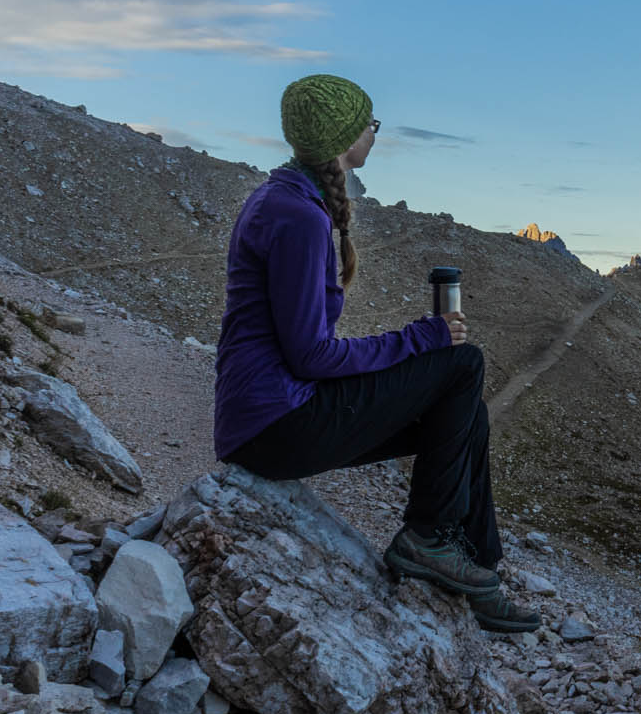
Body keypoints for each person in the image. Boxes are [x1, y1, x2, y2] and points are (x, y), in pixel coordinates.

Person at [211, 73, 538, 634]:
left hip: (272, 415)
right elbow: (310, 356)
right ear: (343, 138)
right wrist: (420, 339)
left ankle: (480, 572)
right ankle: (428, 538)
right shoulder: (298, 217)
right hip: (276, 426)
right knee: (462, 364)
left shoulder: (289, 201)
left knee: (464, 413)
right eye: (370, 124)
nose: (374, 133)